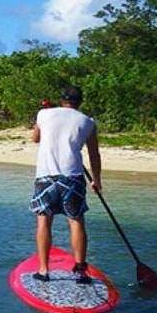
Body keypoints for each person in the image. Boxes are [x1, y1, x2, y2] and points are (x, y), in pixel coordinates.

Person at [29, 86, 102, 284]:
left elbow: (36, 139)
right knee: (76, 221)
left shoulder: (44, 114)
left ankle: (44, 271)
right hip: (73, 177)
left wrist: (42, 122)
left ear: (61, 100)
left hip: (46, 176)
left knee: (44, 221)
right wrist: (96, 180)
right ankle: (80, 271)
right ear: (80, 102)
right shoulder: (88, 122)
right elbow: (94, 155)